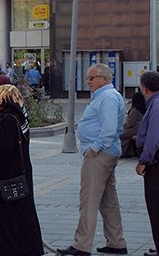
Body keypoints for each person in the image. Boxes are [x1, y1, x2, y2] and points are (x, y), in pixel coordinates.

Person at [58, 63, 127, 256]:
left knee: (88, 200)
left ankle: (82, 244)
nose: (87, 82)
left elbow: (110, 128)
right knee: (108, 200)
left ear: (104, 79)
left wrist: (94, 149)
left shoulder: (106, 97)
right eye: (87, 78)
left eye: (91, 78)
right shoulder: (107, 96)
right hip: (106, 152)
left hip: (99, 154)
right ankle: (116, 242)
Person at [0, 84, 44, 256]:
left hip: (8, 175)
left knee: (11, 216)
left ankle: (14, 248)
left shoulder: (8, 119)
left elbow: (3, 150)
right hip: (19, 173)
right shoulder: (20, 116)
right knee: (22, 214)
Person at [136, 71, 159, 256]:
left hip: (156, 163)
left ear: (145, 88)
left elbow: (153, 137)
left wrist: (144, 160)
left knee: (155, 205)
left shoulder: (156, 105)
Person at [120, 92, 146, 158]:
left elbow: (130, 123)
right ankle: (130, 151)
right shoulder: (144, 108)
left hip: (134, 129)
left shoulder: (135, 109)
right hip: (140, 129)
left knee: (119, 133)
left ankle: (122, 152)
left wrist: (123, 126)